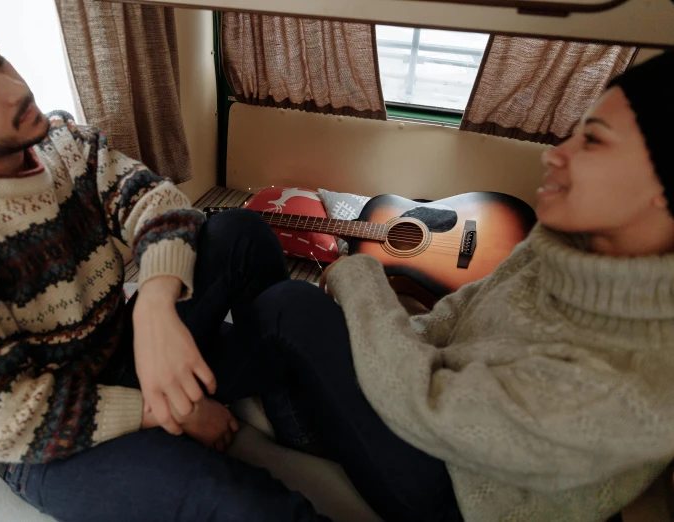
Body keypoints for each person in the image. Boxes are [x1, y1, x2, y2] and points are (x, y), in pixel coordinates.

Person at [0, 2, 328, 520]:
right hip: (46, 437)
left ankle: (294, 421)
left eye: (0, 61)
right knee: (237, 502)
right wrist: (169, 410)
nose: (16, 90)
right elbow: (0, 418)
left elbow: (158, 201)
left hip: (120, 349)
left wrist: (156, 306)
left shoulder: (60, 139)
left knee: (239, 231)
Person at [249, 51, 674, 522]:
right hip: (432, 403)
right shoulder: (564, 245)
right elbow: (458, 312)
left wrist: (358, 282)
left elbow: (433, 408)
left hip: (459, 490)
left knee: (290, 305)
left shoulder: (638, 381)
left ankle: (217, 400)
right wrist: (386, 338)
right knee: (240, 234)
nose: (553, 153)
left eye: (592, 140)